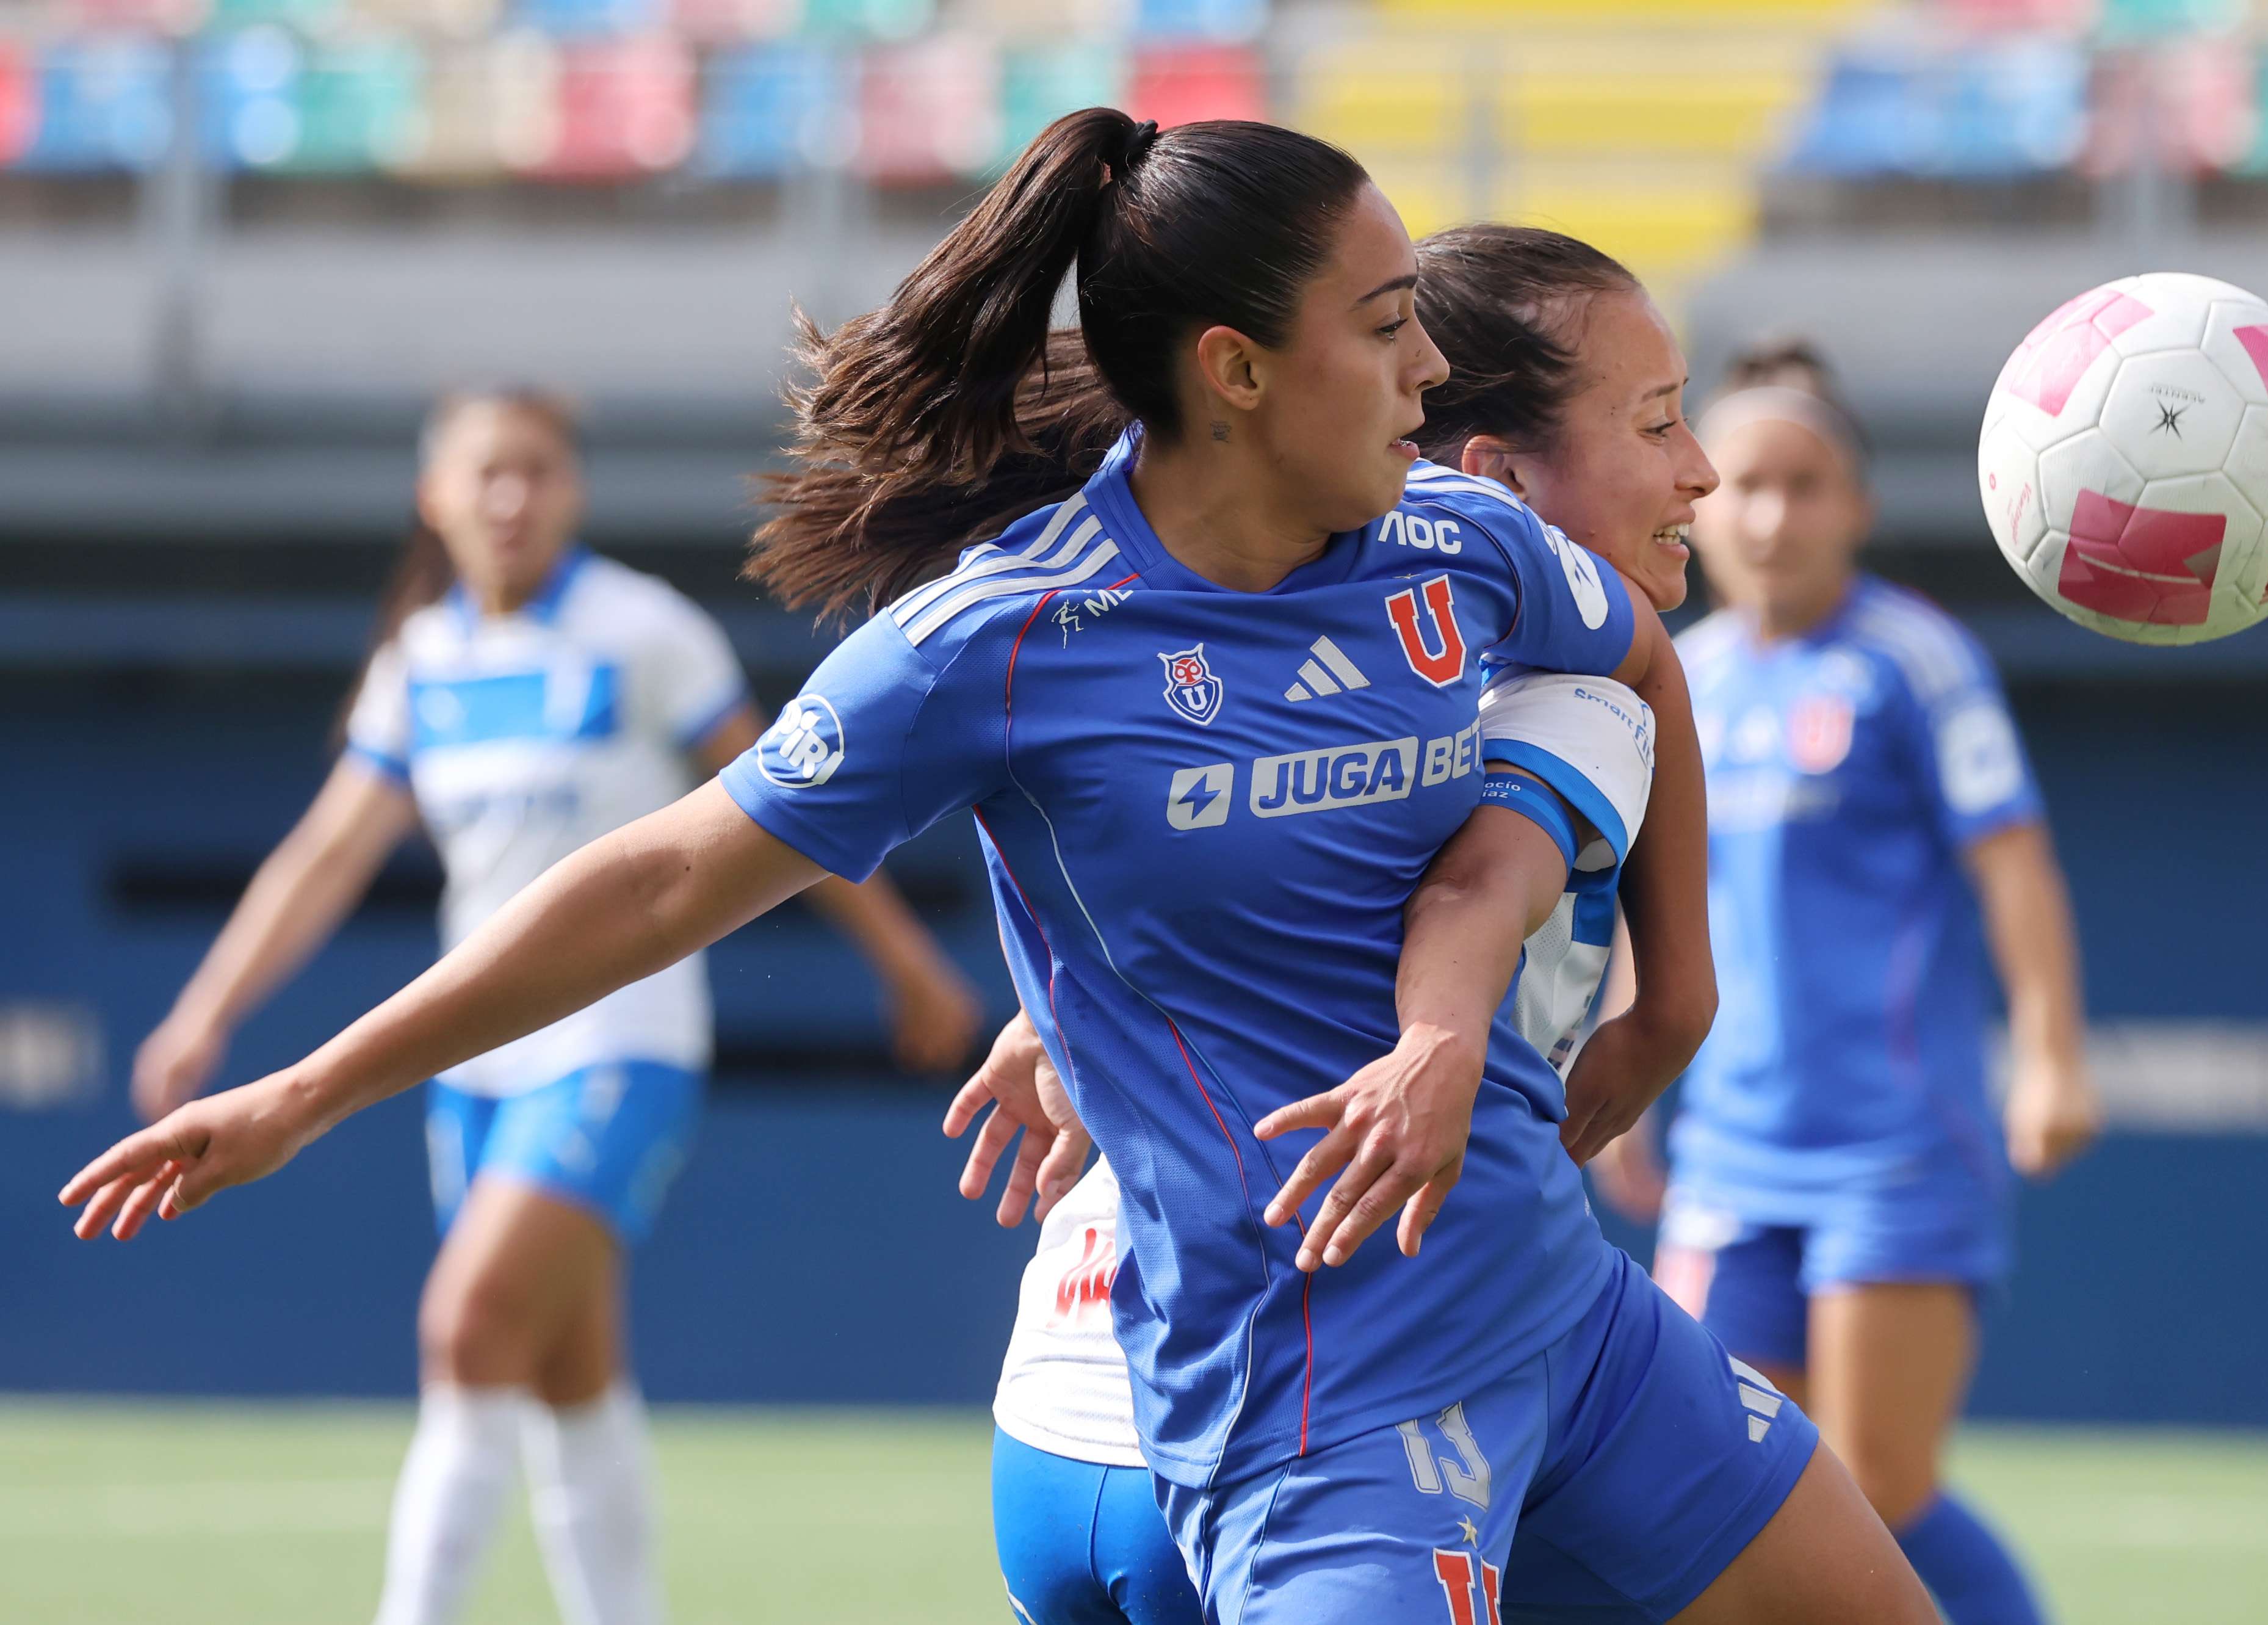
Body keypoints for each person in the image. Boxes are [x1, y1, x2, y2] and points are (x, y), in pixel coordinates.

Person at [65, 114, 1937, 1624]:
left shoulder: (1457, 540)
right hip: (1320, 1394)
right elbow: (658, 882)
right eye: (1383, 327)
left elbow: (1634, 652)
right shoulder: (1003, 642)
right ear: (1233, 369)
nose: (1429, 364)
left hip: (1577, 1322)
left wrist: (1675, 985)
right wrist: (307, 1088)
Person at [122, 388, 981, 1625]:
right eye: (485, 473)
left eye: (536, 470)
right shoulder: (422, 662)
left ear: (574, 488)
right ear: (434, 499)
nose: (511, 496)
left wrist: (905, 962)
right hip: (474, 1067)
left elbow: (793, 804)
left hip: (618, 1044)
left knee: (466, 1323)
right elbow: (324, 855)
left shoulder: (643, 632)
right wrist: (205, 1012)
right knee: (567, 1372)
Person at [978, 223, 1717, 1625]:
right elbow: (1482, 883)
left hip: (1067, 1401)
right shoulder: (1560, 696)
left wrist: (1049, 1011)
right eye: (1657, 422)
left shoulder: (1278, 669)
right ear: (1494, 484)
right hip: (1315, 1410)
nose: (1700, 469)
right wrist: (1666, 1002)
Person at [1595, 341, 2101, 1625]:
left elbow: (2013, 863)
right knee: (1718, 1494)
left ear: (1858, 507)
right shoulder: (1682, 674)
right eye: (1745, 486)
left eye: (1804, 485)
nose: (1770, 516)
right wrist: (1623, 1074)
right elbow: (1648, 903)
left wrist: (2050, 1054)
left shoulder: (1912, 660)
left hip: (1893, 1150)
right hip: (1730, 1155)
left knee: (1875, 1486)